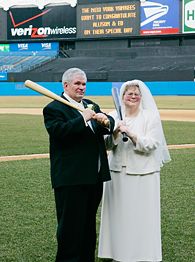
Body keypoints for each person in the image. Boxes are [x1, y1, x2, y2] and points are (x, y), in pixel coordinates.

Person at [43, 67, 115, 262]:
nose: (81, 87)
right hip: (70, 179)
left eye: (84, 84)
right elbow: (60, 133)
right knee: (70, 229)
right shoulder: (53, 109)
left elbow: (106, 129)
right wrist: (83, 119)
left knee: (87, 227)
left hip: (94, 177)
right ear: (66, 85)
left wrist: (106, 121)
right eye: (77, 83)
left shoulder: (91, 105)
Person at [98, 80, 171, 262]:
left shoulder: (150, 117)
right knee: (119, 216)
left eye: (136, 94)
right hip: (117, 173)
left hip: (143, 173)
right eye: (129, 93)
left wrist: (131, 134)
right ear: (122, 97)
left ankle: (143, 254)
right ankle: (117, 253)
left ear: (141, 97)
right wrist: (115, 131)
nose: (133, 96)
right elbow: (106, 144)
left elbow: (153, 144)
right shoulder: (115, 115)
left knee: (141, 217)